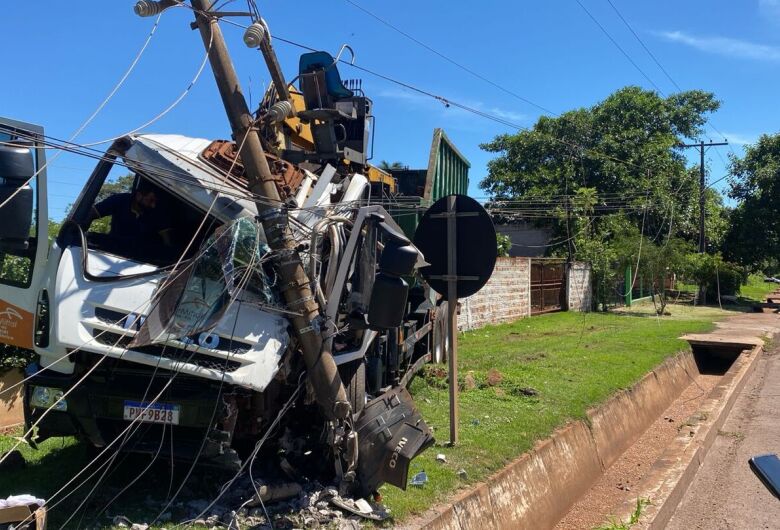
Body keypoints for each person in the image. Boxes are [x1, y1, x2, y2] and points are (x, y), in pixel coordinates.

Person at [90, 181, 172, 251]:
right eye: (150, 200)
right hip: (112, 250)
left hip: (143, 258)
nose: (153, 205)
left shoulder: (157, 213)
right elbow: (91, 214)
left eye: (155, 202)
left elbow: (168, 242)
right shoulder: (120, 200)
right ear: (139, 195)